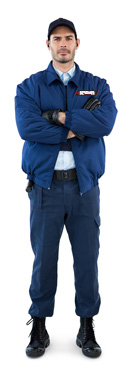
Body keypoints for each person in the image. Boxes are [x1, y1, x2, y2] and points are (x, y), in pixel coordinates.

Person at [14, 17, 117, 359]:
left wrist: (57, 116)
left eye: (68, 38)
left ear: (76, 43)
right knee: (44, 259)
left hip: (85, 187)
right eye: (56, 38)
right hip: (45, 187)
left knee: (87, 260)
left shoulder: (96, 84)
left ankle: (86, 325)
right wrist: (76, 126)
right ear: (48, 44)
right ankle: (39, 324)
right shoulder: (30, 87)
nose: (62, 43)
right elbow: (27, 127)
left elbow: (106, 122)